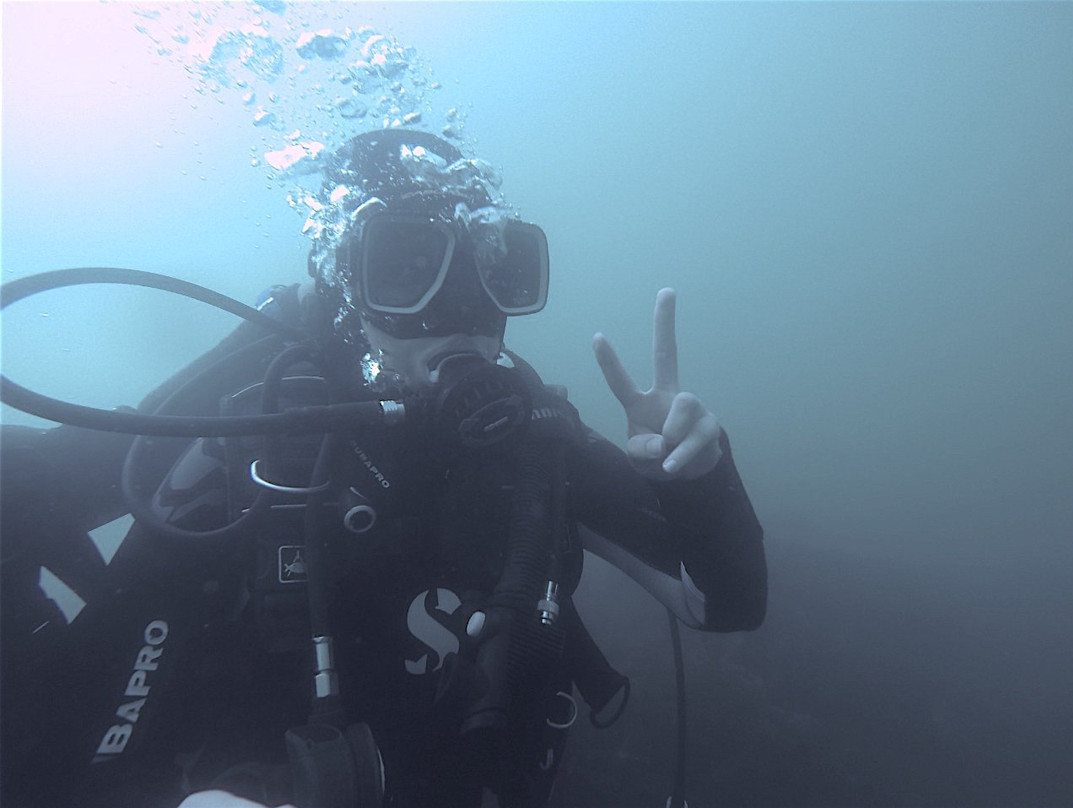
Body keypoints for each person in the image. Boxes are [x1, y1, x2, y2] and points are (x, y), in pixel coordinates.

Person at [0, 129, 766, 808]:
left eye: (495, 277)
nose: (458, 311)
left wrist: (700, 484)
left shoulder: (535, 440)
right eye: (405, 272)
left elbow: (722, 604)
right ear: (346, 288)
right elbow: (104, 665)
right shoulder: (262, 425)